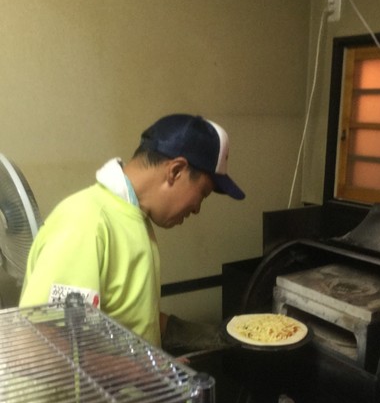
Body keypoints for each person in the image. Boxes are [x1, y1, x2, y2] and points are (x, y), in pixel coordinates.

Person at [20, 113, 245, 348]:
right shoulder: (85, 221)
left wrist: (197, 335)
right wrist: (139, 368)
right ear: (176, 171)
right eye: (203, 193)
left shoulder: (135, 219)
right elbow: (43, 338)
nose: (197, 208)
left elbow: (129, 317)